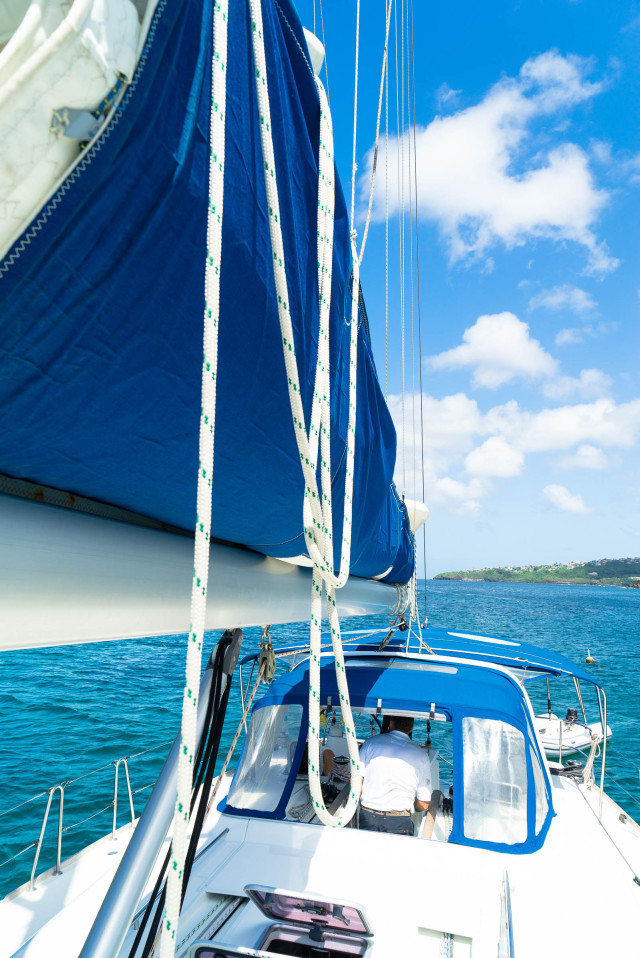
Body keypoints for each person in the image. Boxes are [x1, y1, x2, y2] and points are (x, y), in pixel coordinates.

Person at [358, 716, 431, 836]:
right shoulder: (421, 755)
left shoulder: (369, 744)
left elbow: (357, 782)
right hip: (399, 822)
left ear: (390, 723)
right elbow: (423, 804)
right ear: (412, 727)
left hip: (368, 817)